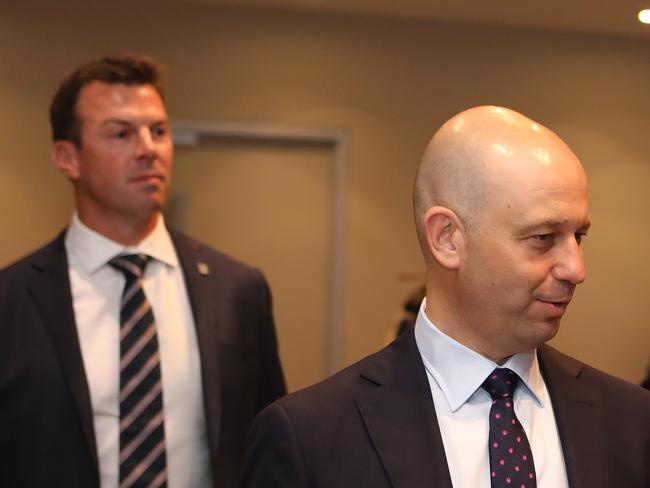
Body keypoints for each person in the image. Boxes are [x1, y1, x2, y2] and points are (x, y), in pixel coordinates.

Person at [240, 106, 650, 488]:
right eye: (543, 238)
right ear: (447, 238)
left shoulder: (631, 420)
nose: (576, 269)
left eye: (578, 237)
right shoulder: (311, 438)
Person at [0, 53, 286, 488]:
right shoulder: (11, 300)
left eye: (159, 131)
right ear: (67, 158)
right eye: (121, 133)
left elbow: (268, 450)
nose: (148, 148)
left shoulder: (237, 290)